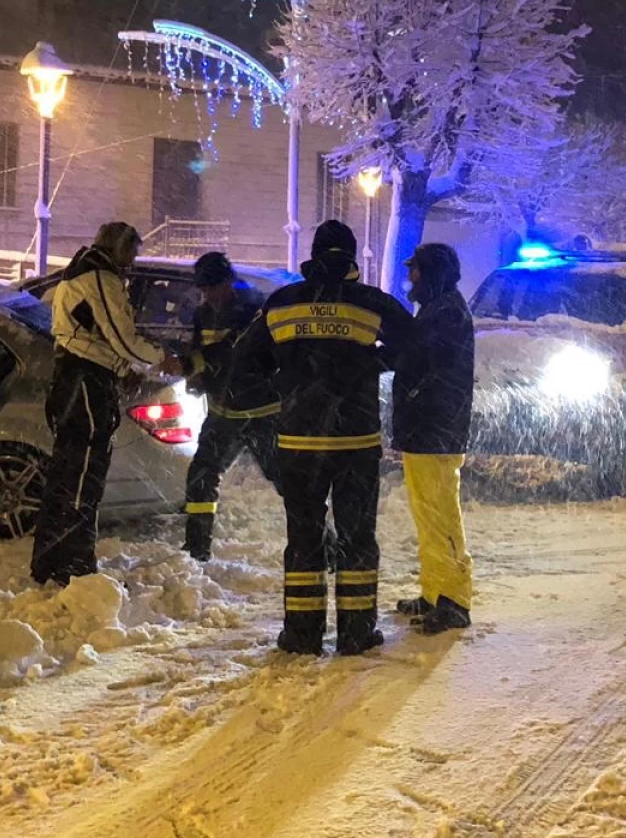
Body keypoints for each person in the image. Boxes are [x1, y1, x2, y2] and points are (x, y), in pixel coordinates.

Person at [233, 220, 415, 656]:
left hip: (299, 445)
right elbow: (415, 345)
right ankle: (356, 633)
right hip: (355, 441)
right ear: (352, 258)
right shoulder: (371, 303)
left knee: (304, 538)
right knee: (356, 538)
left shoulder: (282, 303)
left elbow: (243, 367)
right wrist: (373, 363)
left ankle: (302, 634)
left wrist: (285, 395)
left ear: (313, 255)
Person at [33, 221, 180, 586]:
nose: (133, 260)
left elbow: (98, 335)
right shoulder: (99, 278)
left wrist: (122, 368)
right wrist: (160, 357)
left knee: (68, 474)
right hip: (84, 383)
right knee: (83, 477)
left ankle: (53, 561)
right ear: (118, 247)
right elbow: (122, 337)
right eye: (131, 252)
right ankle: (72, 566)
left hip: (75, 380)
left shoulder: (82, 272)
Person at [391, 243, 476, 635]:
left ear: (432, 273)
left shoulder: (446, 314)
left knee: (441, 517)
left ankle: (454, 600)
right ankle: (434, 591)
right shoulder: (438, 309)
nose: (412, 278)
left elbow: (419, 359)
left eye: (417, 271)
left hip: (437, 431)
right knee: (428, 515)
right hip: (426, 430)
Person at [179, 251, 282, 561]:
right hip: (223, 411)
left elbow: (231, 351)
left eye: (211, 288)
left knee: (286, 479)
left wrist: (194, 362)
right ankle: (197, 548)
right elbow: (203, 351)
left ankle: (323, 546)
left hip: (261, 413)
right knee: (201, 476)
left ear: (227, 282)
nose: (207, 296)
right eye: (203, 290)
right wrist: (197, 377)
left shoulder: (253, 311)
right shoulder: (203, 315)